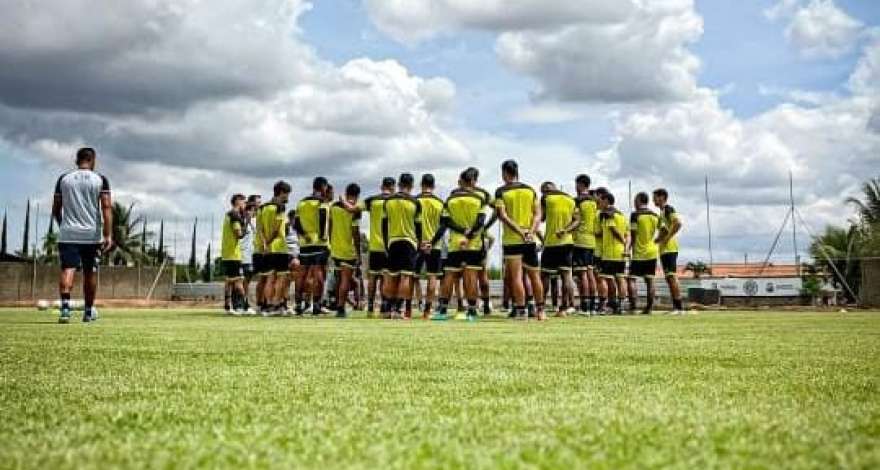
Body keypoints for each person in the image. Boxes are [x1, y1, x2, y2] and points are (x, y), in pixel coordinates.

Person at [52, 147, 113, 323]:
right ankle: (88, 312)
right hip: (91, 235)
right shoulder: (100, 179)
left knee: (68, 269)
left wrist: (63, 225)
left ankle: (65, 310)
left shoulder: (64, 179)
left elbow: (56, 208)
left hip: (68, 233)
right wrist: (108, 235)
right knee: (90, 272)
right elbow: (106, 207)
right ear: (92, 160)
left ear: (77, 160)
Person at [429, 171, 489, 322]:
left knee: (449, 276)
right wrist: (468, 235)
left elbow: (445, 222)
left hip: (455, 244)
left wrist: (460, 232)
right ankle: (472, 312)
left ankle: (443, 311)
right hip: (473, 244)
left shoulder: (450, 200)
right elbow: (480, 222)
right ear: (473, 182)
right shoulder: (479, 199)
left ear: (461, 181)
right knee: (471, 276)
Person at [494, 159, 545, 321]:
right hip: (529, 239)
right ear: (517, 172)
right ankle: (541, 311)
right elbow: (538, 214)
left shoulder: (501, 191)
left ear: (504, 173)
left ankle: (521, 311)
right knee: (534, 276)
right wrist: (530, 232)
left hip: (512, 240)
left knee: (516, 277)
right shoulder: (530, 190)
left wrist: (519, 231)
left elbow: (502, 216)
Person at [382, 173, 421, 319]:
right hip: (409, 242)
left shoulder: (388, 201)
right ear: (411, 185)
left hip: (392, 241)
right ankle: (398, 310)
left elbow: (384, 225)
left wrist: (386, 243)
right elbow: (418, 227)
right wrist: (419, 244)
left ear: (399, 184)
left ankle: (388, 309)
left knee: (391, 276)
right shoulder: (415, 202)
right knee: (405, 277)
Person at [539, 181, 579, 317]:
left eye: (542, 191)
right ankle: (563, 309)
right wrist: (565, 230)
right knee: (566, 276)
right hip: (567, 242)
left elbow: (542, 218)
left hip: (551, 242)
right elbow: (577, 220)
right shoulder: (570, 199)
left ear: (546, 190)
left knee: (544, 276)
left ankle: (541, 307)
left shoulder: (546, 198)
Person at [460, 167, 496, 315]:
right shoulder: (484, 193)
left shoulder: (458, 193)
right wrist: (486, 226)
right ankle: (485, 304)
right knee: (481, 273)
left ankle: (473, 306)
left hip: (464, 238)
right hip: (480, 237)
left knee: (469, 275)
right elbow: (498, 210)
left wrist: (485, 226)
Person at [294, 177, 331, 316]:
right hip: (319, 243)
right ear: (323, 187)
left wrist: (304, 235)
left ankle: (298, 305)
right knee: (318, 274)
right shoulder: (322, 202)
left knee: (301, 275)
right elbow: (323, 216)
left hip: (305, 243)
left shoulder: (301, 202)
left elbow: (296, 223)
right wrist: (322, 235)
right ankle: (316, 305)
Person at [359, 177, 395, 316]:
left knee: (372, 277)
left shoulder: (372, 200)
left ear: (381, 186)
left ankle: (370, 307)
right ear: (393, 187)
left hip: (374, 246)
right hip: (388, 246)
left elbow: (354, 207)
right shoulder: (394, 201)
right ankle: (384, 307)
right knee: (386, 277)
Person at [257, 181, 292, 315]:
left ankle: (268, 305)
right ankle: (276, 304)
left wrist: (265, 244)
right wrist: (269, 241)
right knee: (281, 277)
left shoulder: (262, 208)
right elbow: (277, 229)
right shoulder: (280, 207)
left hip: (268, 248)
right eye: (287, 194)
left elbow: (260, 229)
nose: (287, 197)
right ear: (282, 192)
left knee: (270, 278)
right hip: (279, 247)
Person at [329, 183, 362, 317]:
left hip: (335, 248)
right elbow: (355, 232)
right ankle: (341, 308)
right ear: (357, 195)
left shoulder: (334, 207)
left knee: (338, 279)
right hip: (348, 249)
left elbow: (330, 227)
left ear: (346, 192)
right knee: (345, 280)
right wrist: (358, 253)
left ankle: (338, 304)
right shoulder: (355, 210)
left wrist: (331, 242)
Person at [415, 174, 444, 319]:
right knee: (432, 277)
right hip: (435, 246)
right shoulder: (440, 203)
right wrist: (431, 242)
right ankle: (427, 310)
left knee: (412, 276)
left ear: (421, 184)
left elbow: (414, 224)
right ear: (433, 186)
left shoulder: (415, 201)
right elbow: (443, 226)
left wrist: (420, 242)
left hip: (417, 245)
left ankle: (413, 306)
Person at [627, 192, 660, 315]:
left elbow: (633, 235)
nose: (634, 203)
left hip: (639, 251)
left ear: (639, 200)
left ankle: (633, 308)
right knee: (650, 280)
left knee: (631, 279)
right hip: (652, 251)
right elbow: (664, 230)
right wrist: (657, 241)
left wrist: (629, 249)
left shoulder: (635, 215)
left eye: (635, 200)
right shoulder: (655, 215)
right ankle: (649, 308)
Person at [653, 188, 685, 314]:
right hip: (664, 249)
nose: (653, 200)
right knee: (668, 278)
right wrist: (658, 239)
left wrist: (667, 238)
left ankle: (679, 308)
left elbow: (678, 223)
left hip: (670, 249)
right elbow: (664, 229)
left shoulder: (668, 209)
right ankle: (676, 307)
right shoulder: (661, 213)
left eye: (655, 197)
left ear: (662, 197)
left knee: (671, 277)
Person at [597, 192, 628, 315]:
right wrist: (625, 245)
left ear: (606, 201)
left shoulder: (608, 214)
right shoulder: (622, 216)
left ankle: (603, 307)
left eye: (600, 201)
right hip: (621, 252)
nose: (599, 203)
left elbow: (613, 229)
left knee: (603, 278)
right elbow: (627, 234)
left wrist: (622, 240)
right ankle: (620, 306)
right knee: (620, 278)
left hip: (610, 252)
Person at [573, 175, 599, 315]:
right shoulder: (595, 202)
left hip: (580, 240)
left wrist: (565, 229)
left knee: (582, 274)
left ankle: (585, 306)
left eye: (576, 184)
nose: (575, 187)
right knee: (590, 274)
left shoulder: (578, 200)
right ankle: (593, 306)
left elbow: (575, 220)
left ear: (580, 185)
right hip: (592, 241)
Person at [220, 194, 247, 314]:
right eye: (243, 202)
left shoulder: (228, 214)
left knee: (229, 281)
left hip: (226, 253)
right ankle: (243, 307)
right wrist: (246, 224)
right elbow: (238, 234)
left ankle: (227, 306)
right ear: (237, 201)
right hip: (233, 254)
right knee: (238, 281)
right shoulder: (235, 215)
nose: (244, 205)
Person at [240, 196, 260, 314]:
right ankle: (242, 304)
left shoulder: (255, 220)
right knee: (241, 280)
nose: (258, 206)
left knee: (247, 280)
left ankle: (245, 303)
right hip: (242, 255)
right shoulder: (241, 219)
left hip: (252, 255)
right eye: (256, 204)